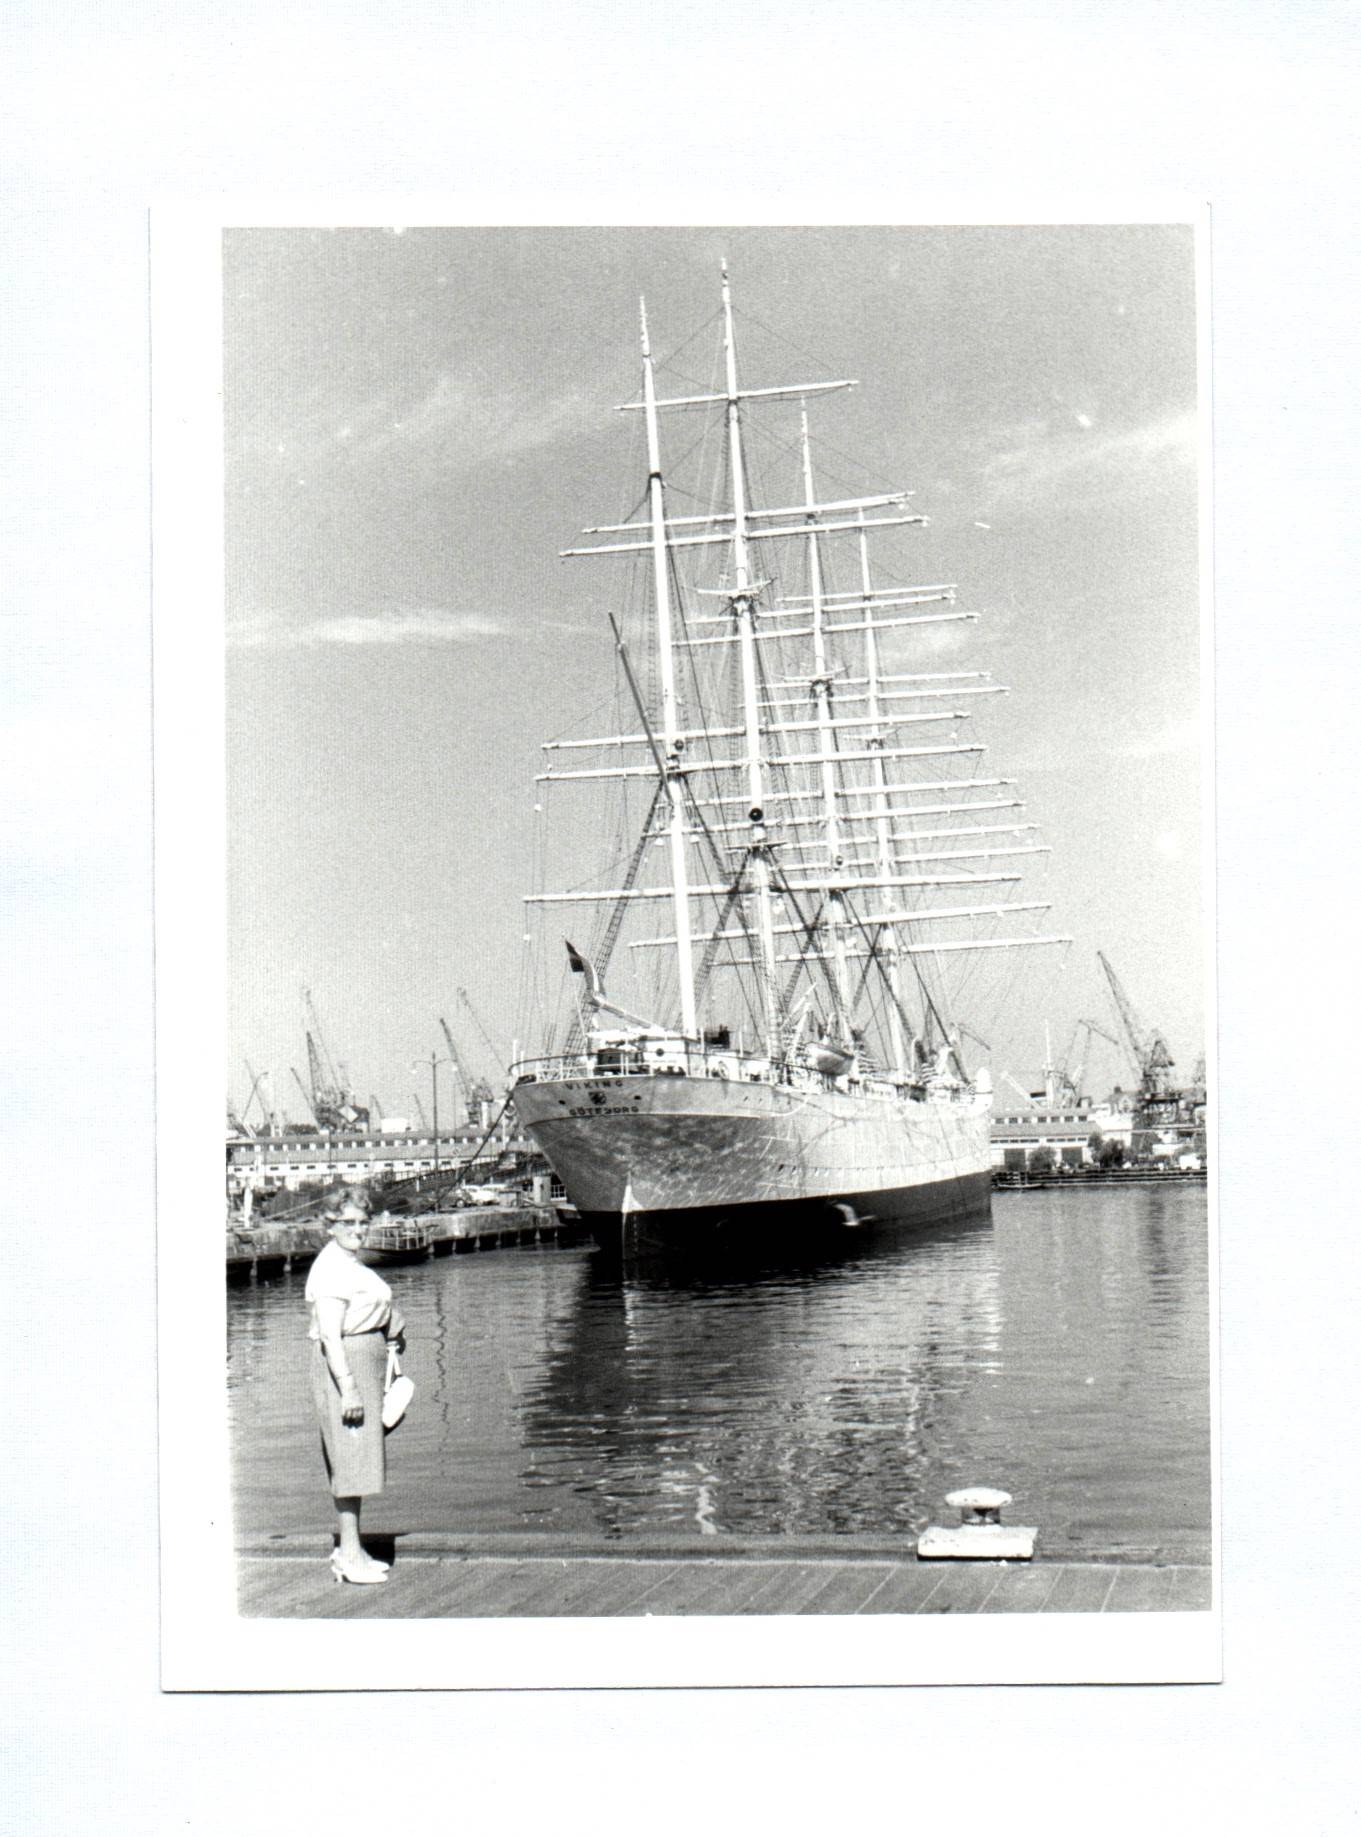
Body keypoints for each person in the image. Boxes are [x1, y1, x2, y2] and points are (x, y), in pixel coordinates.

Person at [305, 1186, 406, 1584]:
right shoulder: (331, 1267)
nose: (358, 1229)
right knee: (349, 1459)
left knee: (357, 1458)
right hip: (344, 1367)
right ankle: (348, 1556)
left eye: (364, 1222)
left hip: (363, 1362)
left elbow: (371, 1305)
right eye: (348, 1222)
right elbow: (330, 1335)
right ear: (330, 1225)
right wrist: (348, 1388)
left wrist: (392, 1329)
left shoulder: (352, 1264)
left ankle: (352, 1547)